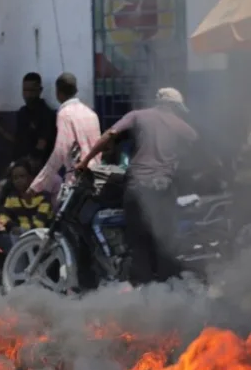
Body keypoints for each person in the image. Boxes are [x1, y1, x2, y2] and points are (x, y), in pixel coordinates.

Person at [76, 87, 198, 285]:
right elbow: (197, 144)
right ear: (175, 107)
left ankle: (142, 291)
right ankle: (167, 291)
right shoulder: (180, 125)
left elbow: (111, 133)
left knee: (138, 243)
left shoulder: (137, 116)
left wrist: (85, 161)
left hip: (137, 187)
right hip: (164, 189)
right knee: (163, 244)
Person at [27, 73, 101, 197]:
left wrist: (36, 186)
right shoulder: (91, 114)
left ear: (58, 92)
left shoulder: (64, 114)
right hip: (96, 179)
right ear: (75, 90)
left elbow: (60, 152)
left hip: (75, 183)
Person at [0, 159, 54, 280]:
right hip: (18, 235)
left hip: (40, 240)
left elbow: (38, 225)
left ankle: (19, 278)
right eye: (15, 178)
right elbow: (4, 216)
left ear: (31, 178)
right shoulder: (13, 197)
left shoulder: (43, 197)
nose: (19, 181)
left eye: (22, 176)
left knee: (16, 236)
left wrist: (15, 228)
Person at [0, 72, 58, 164]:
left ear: (40, 90)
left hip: (37, 165)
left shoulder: (46, 114)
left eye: (32, 91)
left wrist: (25, 164)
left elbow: (41, 145)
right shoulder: (22, 112)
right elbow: (18, 140)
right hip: (21, 163)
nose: (28, 95)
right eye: (25, 90)